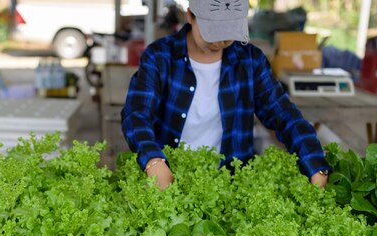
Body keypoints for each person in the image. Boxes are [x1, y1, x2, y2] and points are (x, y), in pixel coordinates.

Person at [121, 0, 331, 191]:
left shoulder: (250, 60)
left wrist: (315, 165)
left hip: (230, 181)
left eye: (228, 33)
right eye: (212, 32)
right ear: (190, 16)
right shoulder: (159, 56)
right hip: (170, 175)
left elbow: (284, 114)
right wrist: (153, 160)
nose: (220, 41)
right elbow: (136, 114)